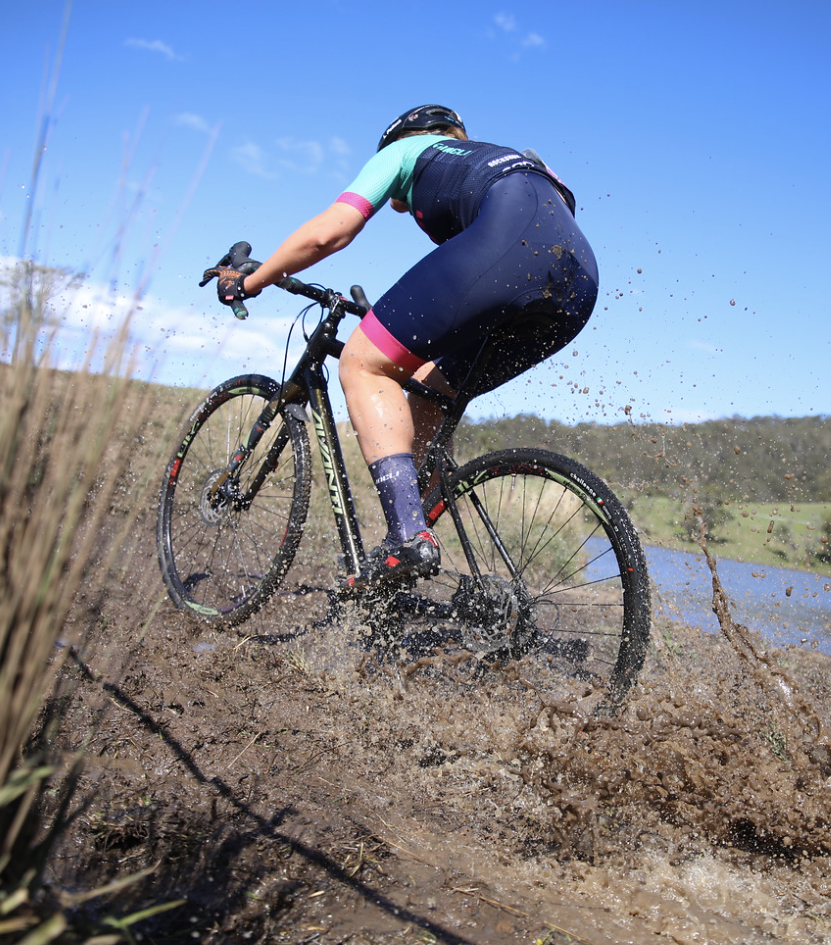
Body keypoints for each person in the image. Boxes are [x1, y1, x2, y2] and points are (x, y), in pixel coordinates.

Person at [206, 105, 598, 589]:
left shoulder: (408, 150)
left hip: (510, 244)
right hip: (577, 281)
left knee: (364, 364)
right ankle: (409, 568)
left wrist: (253, 282)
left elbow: (332, 231)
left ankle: (408, 538)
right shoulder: (504, 159)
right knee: (426, 393)